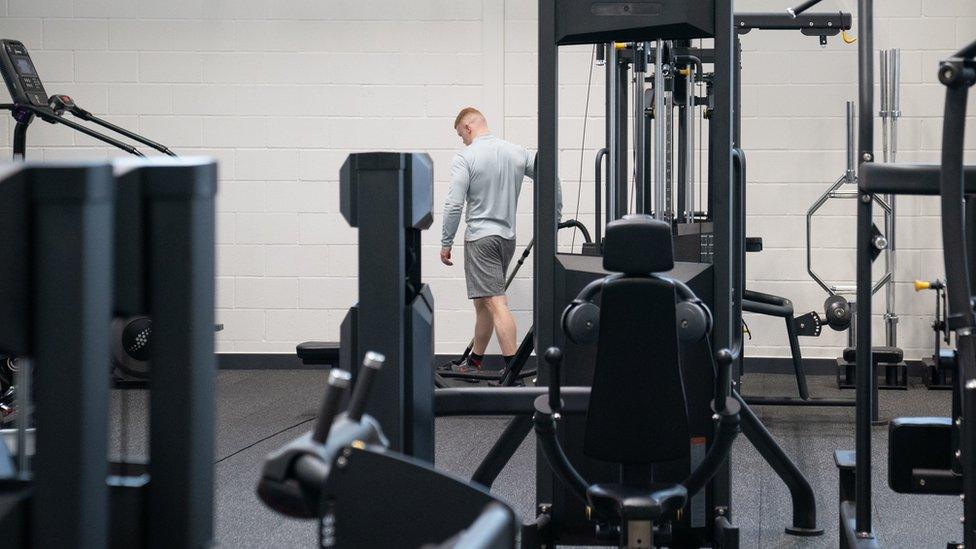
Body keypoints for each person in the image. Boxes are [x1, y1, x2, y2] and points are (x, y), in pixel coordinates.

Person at [441, 107, 560, 373]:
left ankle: (512, 369)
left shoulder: (466, 157)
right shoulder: (516, 152)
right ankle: (474, 361)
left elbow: (453, 204)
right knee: (483, 302)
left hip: (481, 239)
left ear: (468, 128)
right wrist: (556, 215)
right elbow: (549, 172)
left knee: (496, 303)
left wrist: (446, 241)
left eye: (462, 135)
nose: (463, 140)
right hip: (507, 239)